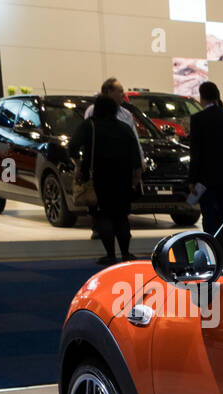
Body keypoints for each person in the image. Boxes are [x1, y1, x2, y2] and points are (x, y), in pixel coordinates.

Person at [70, 95, 142, 265]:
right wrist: (136, 177)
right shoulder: (124, 128)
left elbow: (72, 146)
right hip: (122, 179)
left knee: (103, 216)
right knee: (121, 216)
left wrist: (79, 165)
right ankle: (125, 253)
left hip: (98, 178)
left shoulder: (90, 126)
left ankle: (110, 254)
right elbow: (135, 156)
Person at [186, 81, 223, 233]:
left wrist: (192, 179)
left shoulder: (198, 119)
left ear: (202, 98)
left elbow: (196, 152)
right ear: (217, 96)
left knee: (209, 216)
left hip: (206, 178)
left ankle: (212, 246)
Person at [83, 78, 143, 160]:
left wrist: (141, 159)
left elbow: (135, 141)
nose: (124, 94)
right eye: (120, 91)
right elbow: (87, 137)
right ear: (109, 92)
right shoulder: (92, 111)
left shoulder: (126, 114)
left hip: (122, 163)